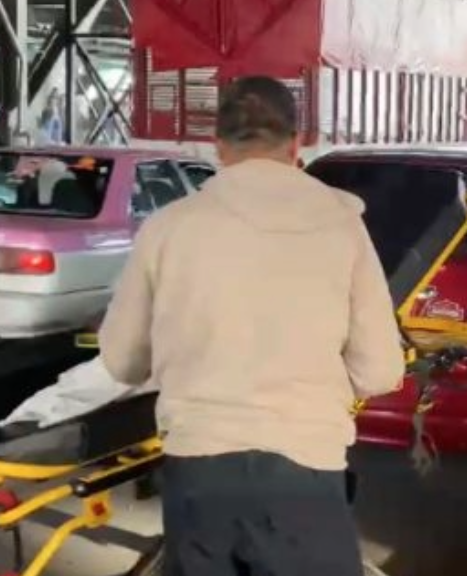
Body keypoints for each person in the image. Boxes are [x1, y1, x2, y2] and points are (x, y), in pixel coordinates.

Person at [99, 75, 404, 576]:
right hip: (305, 469)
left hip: (199, 468)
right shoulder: (343, 225)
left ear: (217, 146)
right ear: (296, 144)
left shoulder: (168, 227)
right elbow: (380, 370)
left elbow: (122, 360)